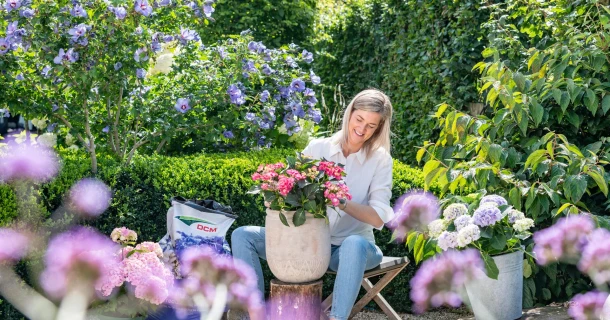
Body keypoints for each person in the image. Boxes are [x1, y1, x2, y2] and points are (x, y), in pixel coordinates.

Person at [231, 88, 394, 320]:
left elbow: (378, 217)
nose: (362, 129)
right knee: (242, 235)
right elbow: (291, 185)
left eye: (372, 125)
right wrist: (275, 195)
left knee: (353, 244)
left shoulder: (380, 160)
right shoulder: (318, 148)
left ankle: (337, 318)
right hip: (309, 246)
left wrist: (340, 201)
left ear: (379, 128)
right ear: (350, 114)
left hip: (352, 252)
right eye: (359, 119)